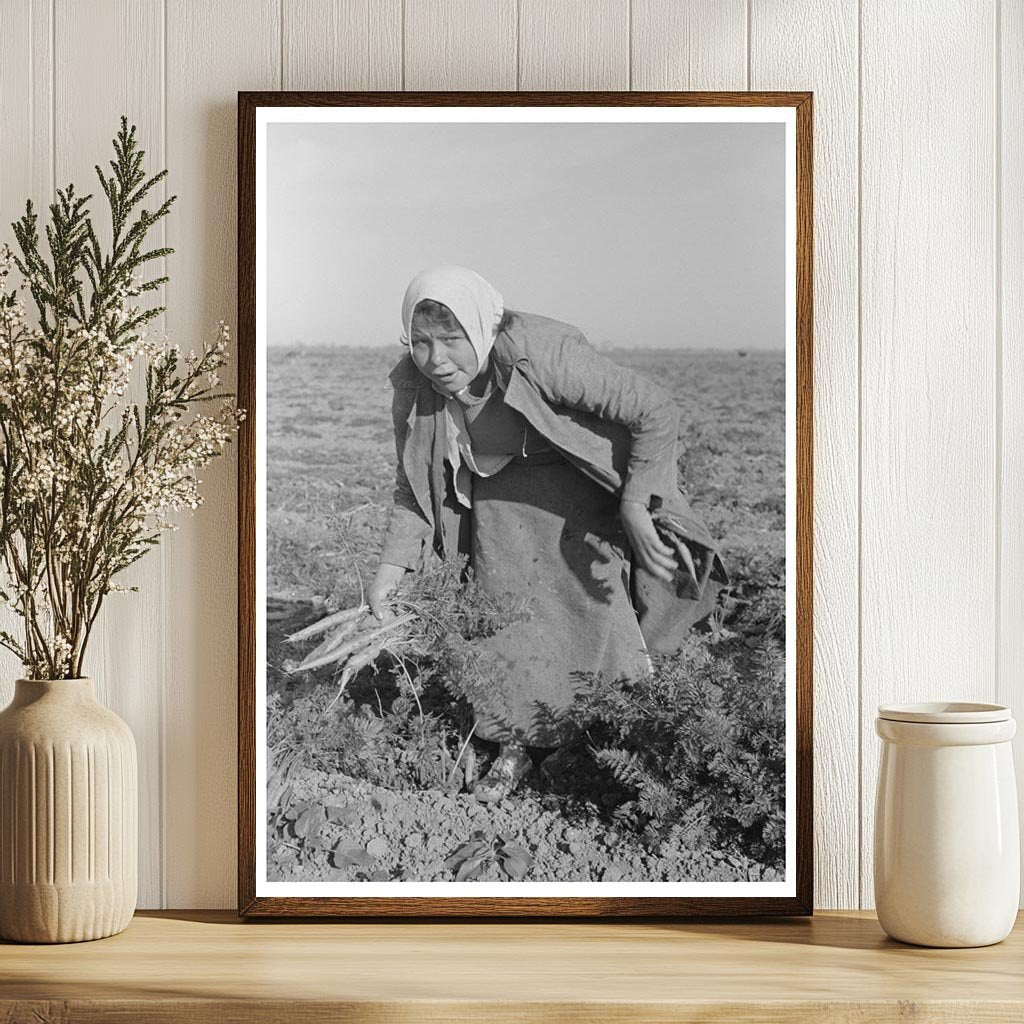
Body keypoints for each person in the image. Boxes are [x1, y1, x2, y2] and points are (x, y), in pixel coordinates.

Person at [368, 265, 728, 803]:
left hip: (582, 479)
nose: (436, 360)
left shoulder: (542, 353)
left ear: (481, 329)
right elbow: (413, 482)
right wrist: (388, 570)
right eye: (420, 343)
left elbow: (655, 408)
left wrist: (634, 503)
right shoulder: (413, 384)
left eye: (451, 340)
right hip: (496, 493)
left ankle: (609, 739)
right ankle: (513, 745)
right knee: (501, 612)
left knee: (596, 611)